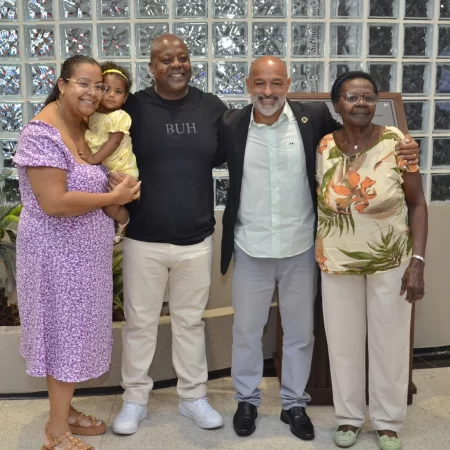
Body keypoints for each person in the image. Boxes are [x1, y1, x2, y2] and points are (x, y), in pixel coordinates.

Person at [219, 57, 420, 441]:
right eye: (260, 83)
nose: (268, 92)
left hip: (300, 247)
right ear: (248, 85)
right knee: (246, 330)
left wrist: (407, 148)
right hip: (250, 245)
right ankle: (247, 401)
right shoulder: (231, 123)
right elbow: (201, 156)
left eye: (276, 83)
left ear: (288, 84)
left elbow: (357, 138)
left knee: (300, 333)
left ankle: (294, 403)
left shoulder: (312, 120)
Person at [13, 55, 140, 450]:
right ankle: (55, 431)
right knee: (62, 337)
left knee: (76, 334)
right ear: (62, 83)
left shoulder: (85, 126)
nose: (94, 92)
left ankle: (64, 412)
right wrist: (114, 197)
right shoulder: (41, 134)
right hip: (55, 257)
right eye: (84, 83)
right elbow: (54, 202)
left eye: (99, 85)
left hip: (85, 259)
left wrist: (118, 205)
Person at [110, 34, 228, 435]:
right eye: (165, 59)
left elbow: (233, 151)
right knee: (140, 324)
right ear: (151, 67)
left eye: (182, 57)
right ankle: (134, 400)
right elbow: (102, 143)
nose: (176, 65)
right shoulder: (133, 107)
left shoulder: (211, 107)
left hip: (196, 239)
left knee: (190, 323)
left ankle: (193, 398)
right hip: (143, 238)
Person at [316, 71, 427, 450]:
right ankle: (348, 418)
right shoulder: (324, 146)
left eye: (368, 96)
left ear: (376, 103)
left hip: (391, 261)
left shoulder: (398, 143)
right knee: (342, 345)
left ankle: (388, 422)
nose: (361, 103)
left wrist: (418, 260)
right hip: (337, 262)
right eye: (352, 97)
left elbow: (418, 204)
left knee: (390, 344)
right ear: (337, 104)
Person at [82, 61, 139, 242]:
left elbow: (113, 142)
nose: (111, 95)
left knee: (109, 207)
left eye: (118, 92)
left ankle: (124, 222)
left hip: (122, 171)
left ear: (125, 97)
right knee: (102, 204)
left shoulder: (120, 116)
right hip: (108, 170)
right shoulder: (93, 115)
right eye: (106, 89)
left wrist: (93, 159)